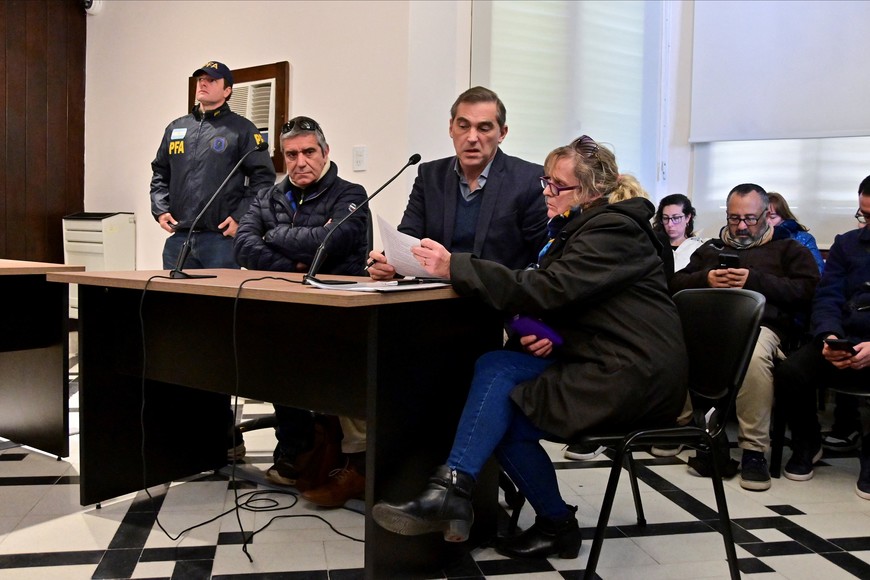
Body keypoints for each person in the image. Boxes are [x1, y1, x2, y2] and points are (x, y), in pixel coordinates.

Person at [371, 136, 688, 560]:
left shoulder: (613, 230)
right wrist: (551, 333)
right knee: (497, 380)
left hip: (632, 375)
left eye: (558, 186)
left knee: (499, 394)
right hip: (601, 358)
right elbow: (585, 302)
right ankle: (494, 503)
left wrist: (455, 266)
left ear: (592, 191)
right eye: (546, 182)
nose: (547, 193)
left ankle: (458, 491)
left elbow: (552, 288)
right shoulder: (581, 227)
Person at [332, 87, 548, 509]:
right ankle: (409, 480)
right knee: (392, 366)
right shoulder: (429, 175)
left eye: (484, 128)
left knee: (472, 378)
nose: (473, 137)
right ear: (451, 128)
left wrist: (537, 321)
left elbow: (544, 263)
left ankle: (469, 492)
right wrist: (392, 263)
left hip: (505, 314)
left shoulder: (526, 180)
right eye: (463, 126)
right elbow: (411, 240)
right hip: (438, 311)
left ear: (502, 133)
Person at [234, 116, 368, 498]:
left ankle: (352, 460)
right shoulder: (269, 196)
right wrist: (291, 262)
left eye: (309, 152)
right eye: (291, 154)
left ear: (325, 153)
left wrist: (274, 235)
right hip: (285, 307)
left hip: (338, 313)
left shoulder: (351, 193)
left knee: (324, 367)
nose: (300, 161)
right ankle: (298, 444)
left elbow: (331, 241)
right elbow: (243, 245)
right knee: (270, 361)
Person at [150, 60, 277, 460]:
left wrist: (241, 217)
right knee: (177, 333)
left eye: (211, 80)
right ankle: (185, 427)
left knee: (217, 335)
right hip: (180, 242)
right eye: (199, 80)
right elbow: (158, 172)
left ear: (227, 90)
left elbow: (263, 181)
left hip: (220, 245)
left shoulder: (242, 130)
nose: (202, 85)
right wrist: (159, 208)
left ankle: (225, 433)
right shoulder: (177, 128)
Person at [670, 184, 819, 491]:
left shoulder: (790, 250)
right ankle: (686, 427)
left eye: (750, 219)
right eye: (734, 218)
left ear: (767, 215)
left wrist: (755, 281)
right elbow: (674, 284)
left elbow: (807, 293)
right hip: (709, 328)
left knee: (752, 356)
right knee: (670, 343)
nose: (740, 226)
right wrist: (706, 279)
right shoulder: (709, 250)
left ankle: (753, 451)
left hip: (763, 329)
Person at [775, 178, 870, 495]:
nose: (867, 224)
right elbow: (827, 297)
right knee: (790, 371)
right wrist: (829, 336)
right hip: (845, 337)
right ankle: (807, 441)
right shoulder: (847, 244)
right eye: (864, 215)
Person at [767, 191, 825, 274]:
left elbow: (817, 271)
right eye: (763, 217)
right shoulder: (752, 238)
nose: (767, 221)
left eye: (772, 217)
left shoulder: (804, 239)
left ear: (784, 217)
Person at [653, 193, 707, 272]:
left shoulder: (699, 247)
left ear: (687, 217)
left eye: (676, 218)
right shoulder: (654, 245)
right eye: (665, 218)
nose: (670, 224)